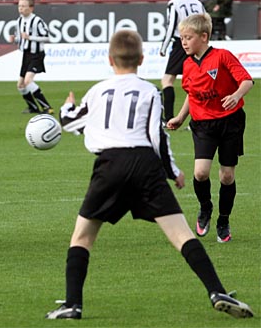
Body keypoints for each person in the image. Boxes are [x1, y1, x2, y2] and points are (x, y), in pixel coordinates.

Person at [45, 30, 254, 320]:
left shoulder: (98, 90)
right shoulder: (149, 91)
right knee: (181, 235)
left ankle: (72, 304)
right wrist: (173, 171)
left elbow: (70, 122)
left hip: (110, 165)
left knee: (82, 237)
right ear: (142, 60)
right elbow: (157, 136)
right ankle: (216, 290)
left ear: (109, 59)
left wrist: (67, 106)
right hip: (145, 166)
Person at [167, 13, 253, 243]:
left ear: (203, 37)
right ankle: (205, 208)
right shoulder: (187, 63)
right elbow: (191, 94)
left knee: (226, 176)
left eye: (188, 37)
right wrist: (180, 117)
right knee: (201, 172)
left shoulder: (222, 56)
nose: (183, 42)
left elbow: (247, 80)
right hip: (203, 123)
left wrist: (236, 95)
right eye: (182, 37)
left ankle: (223, 221)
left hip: (230, 122)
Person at [160, 0, 205, 123]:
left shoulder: (174, 3)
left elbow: (171, 26)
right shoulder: (197, 3)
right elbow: (206, 22)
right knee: (197, 82)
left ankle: (169, 118)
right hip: (198, 42)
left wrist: (163, 47)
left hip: (182, 43)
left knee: (167, 80)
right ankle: (199, 118)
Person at [9, 0, 54, 115]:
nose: (20, 9)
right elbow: (20, 38)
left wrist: (30, 37)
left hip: (37, 54)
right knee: (20, 85)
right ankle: (33, 107)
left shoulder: (37, 21)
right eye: (19, 6)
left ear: (31, 8)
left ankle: (47, 107)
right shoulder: (19, 21)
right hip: (26, 54)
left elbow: (47, 37)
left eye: (23, 6)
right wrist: (15, 39)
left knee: (28, 80)